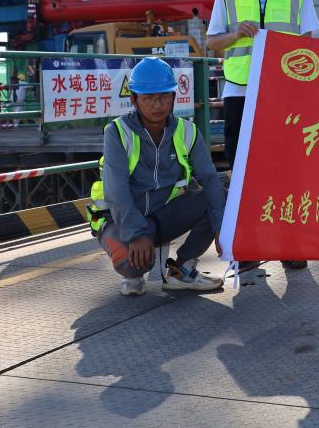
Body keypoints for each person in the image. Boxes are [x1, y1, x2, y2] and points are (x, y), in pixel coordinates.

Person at [205, 0, 319, 270]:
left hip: (283, 95)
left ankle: (290, 243)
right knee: (243, 171)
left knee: (288, 170)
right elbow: (211, 43)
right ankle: (251, 243)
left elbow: (310, 42)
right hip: (240, 93)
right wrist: (236, 33)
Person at [88, 57, 226, 296]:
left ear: (174, 97)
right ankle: (132, 274)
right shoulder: (117, 133)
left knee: (218, 195)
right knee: (132, 264)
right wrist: (135, 235)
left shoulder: (188, 132)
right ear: (134, 100)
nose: (157, 104)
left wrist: (222, 227)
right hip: (119, 219)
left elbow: (210, 179)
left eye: (163, 96)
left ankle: (182, 270)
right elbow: (116, 191)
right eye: (148, 98)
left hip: (161, 216)